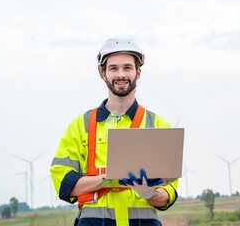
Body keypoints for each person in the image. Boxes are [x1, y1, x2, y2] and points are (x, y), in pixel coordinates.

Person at [50, 38, 179, 226]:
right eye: (113, 68)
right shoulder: (80, 126)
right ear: (103, 73)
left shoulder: (159, 125)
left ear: (138, 72)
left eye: (127, 67)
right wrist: (109, 178)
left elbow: (168, 196)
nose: (121, 74)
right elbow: (63, 183)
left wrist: (148, 193)